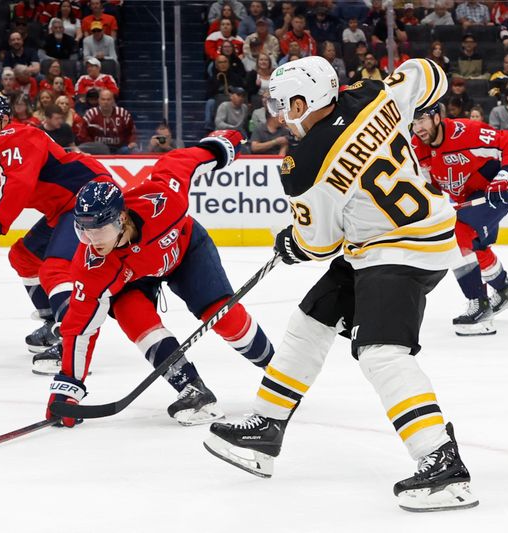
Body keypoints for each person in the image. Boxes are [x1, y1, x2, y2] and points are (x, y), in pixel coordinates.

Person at [203, 56, 478, 513]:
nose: (277, 114)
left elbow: (317, 244)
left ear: (303, 101)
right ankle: (265, 432)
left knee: (383, 354)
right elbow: (430, 73)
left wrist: (291, 243)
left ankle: (442, 463)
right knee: (311, 319)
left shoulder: (305, 161)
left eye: (282, 104)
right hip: (403, 237)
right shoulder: (371, 93)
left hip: (399, 251)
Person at [43, 131, 274, 427]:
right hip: (134, 278)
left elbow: (181, 161)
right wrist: (67, 389)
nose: (89, 239)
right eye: (82, 230)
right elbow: (79, 328)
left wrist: (220, 146)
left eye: (97, 230)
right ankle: (192, 388)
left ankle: (279, 369)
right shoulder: (92, 265)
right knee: (130, 313)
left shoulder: (164, 200)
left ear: (121, 219)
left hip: (185, 251)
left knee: (223, 316)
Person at [0, 93, 112, 356]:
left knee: (55, 268)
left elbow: (19, 185)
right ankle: (54, 324)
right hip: (63, 209)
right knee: (23, 257)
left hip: (89, 197)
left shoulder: (17, 136)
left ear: (4, 120)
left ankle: (72, 340)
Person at [412, 103, 508, 335]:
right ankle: (505, 289)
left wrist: (506, 173)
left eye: (422, 120)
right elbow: (425, 185)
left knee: (458, 235)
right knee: (474, 245)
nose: (418, 128)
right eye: (413, 123)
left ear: (437, 117)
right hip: (468, 197)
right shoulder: (416, 149)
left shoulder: (467, 132)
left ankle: (480, 305)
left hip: (495, 191)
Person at [82, 89, 137, 153]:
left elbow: (132, 131)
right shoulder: (90, 114)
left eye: (108, 99)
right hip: (97, 150)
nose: (106, 102)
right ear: (99, 100)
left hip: (120, 149)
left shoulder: (123, 114)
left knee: (130, 150)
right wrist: (91, 145)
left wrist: (132, 142)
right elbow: (83, 134)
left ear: (113, 101)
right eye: (103, 99)